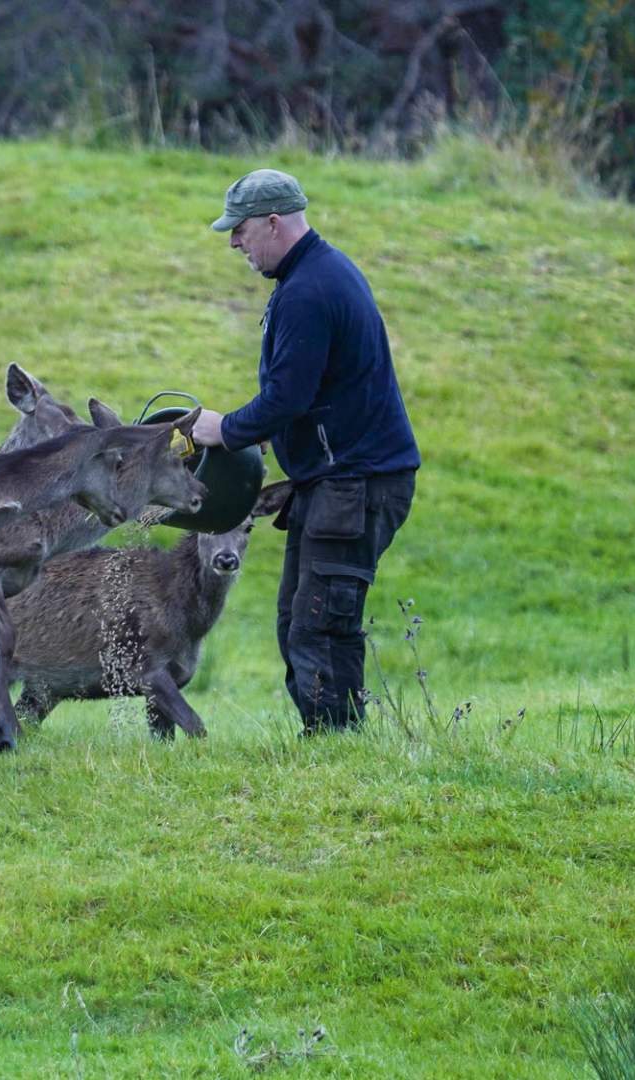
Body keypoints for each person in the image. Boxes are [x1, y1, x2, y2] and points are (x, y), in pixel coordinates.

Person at [190, 169, 419, 733]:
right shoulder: (313, 277)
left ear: (273, 222)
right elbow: (310, 391)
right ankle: (339, 737)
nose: (234, 243)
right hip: (339, 479)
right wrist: (264, 429)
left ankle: (332, 742)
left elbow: (287, 396)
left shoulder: (310, 290)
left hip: (357, 483)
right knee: (301, 616)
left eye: (240, 230)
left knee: (318, 623)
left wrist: (226, 430)